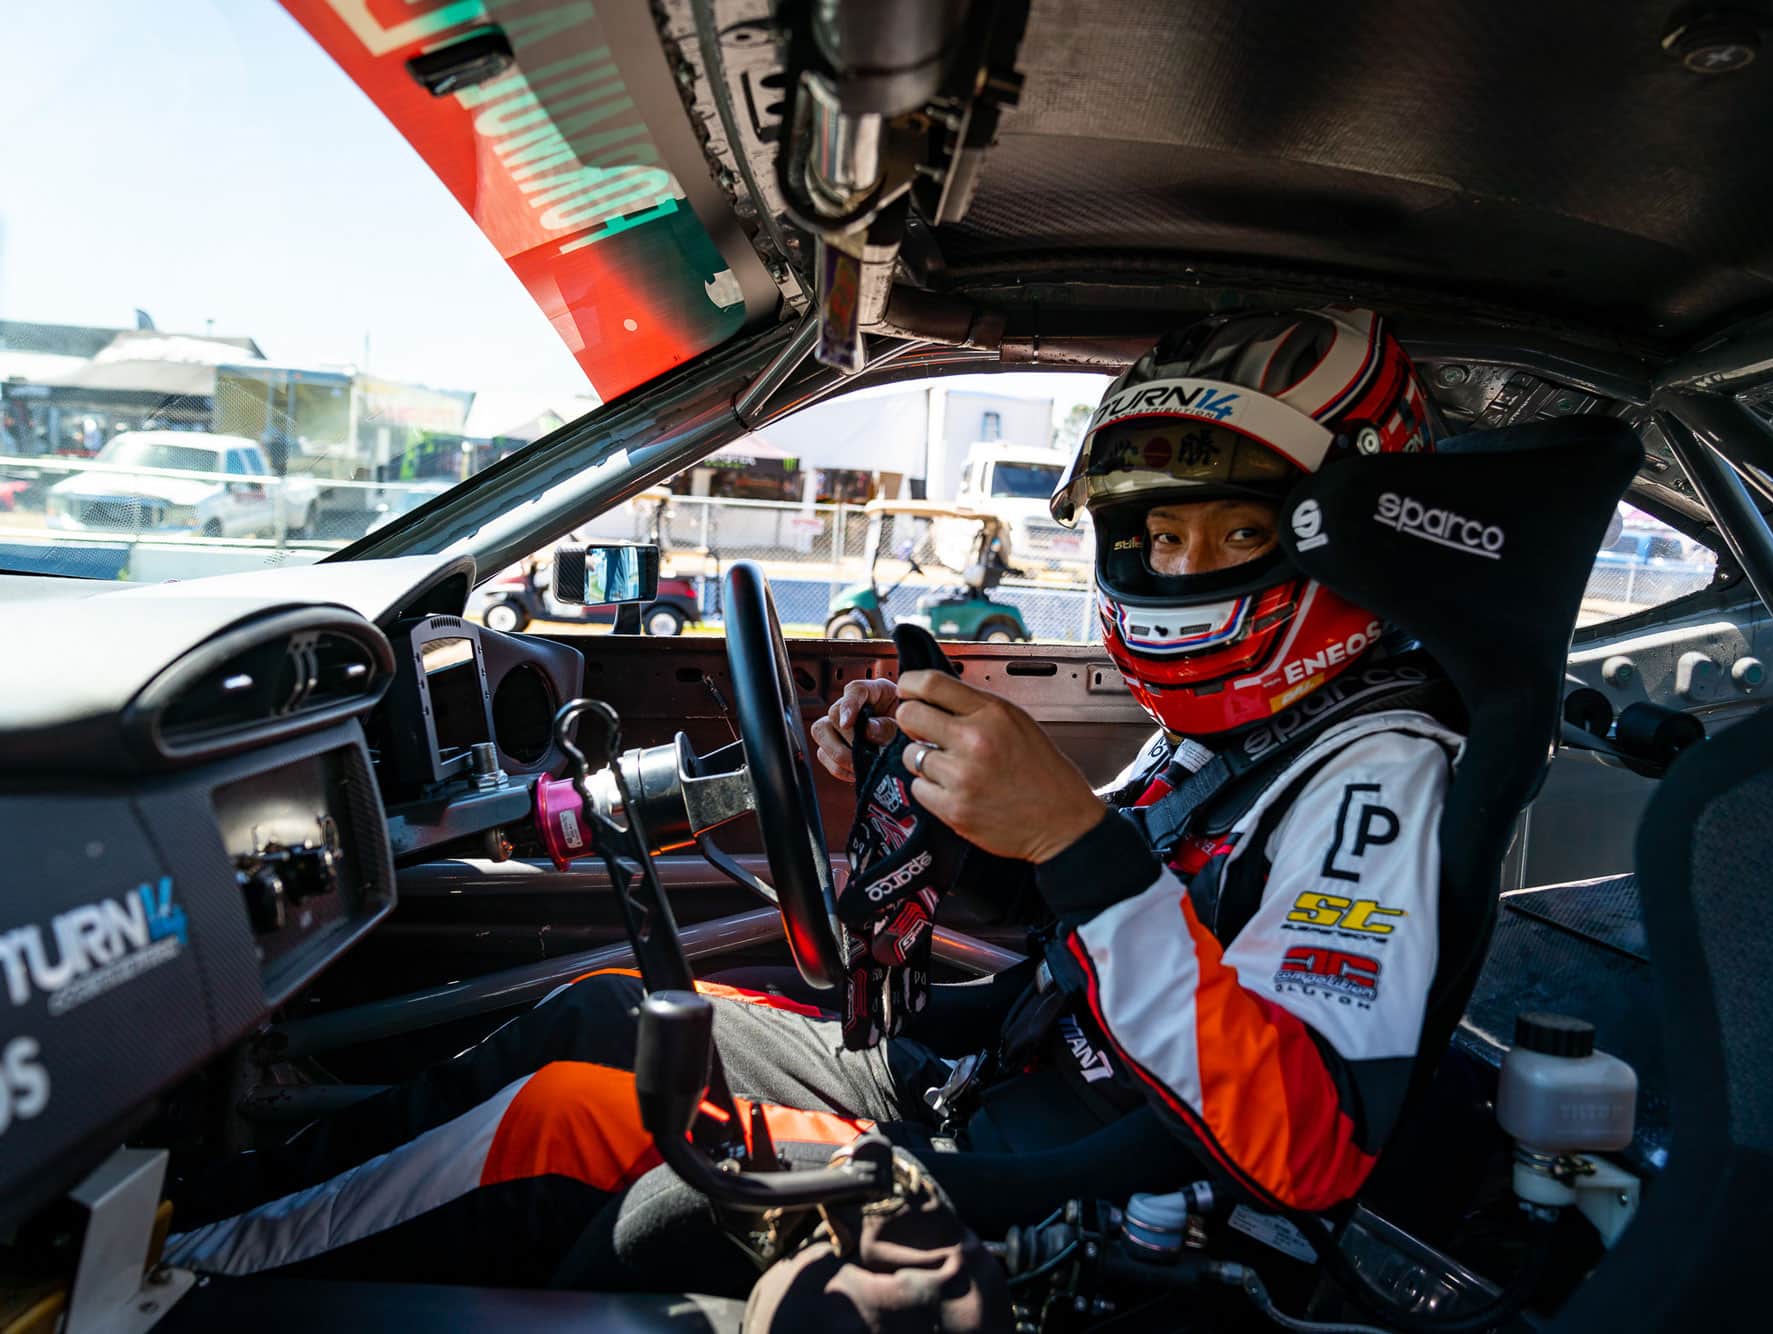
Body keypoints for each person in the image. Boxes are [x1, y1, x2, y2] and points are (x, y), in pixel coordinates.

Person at [163, 309, 1467, 1291]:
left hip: (1077, 1173)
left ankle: (183, 1282)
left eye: (1225, 534)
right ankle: (206, 1202)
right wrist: (951, 799)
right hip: (990, 1068)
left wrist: (1073, 836)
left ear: (1326, 532)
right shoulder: (1230, 739)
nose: (1179, 567)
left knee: (566, 1115)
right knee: (598, 1010)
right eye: (1156, 535)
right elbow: (1091, 942)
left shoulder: (1378, 768)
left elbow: (1307, 1147)